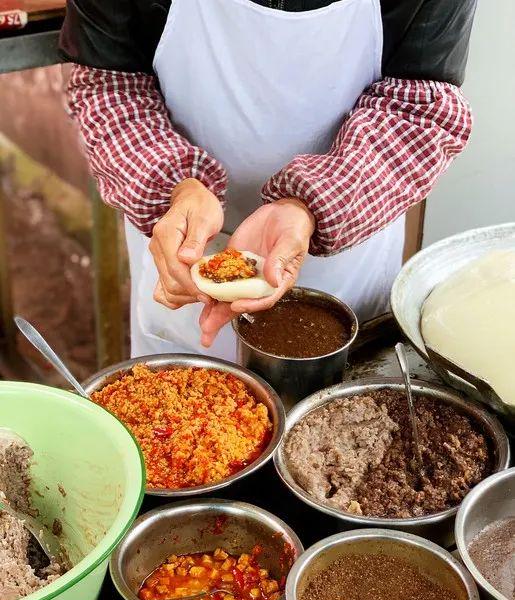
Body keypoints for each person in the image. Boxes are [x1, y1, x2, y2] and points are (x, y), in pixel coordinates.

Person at [59, 0, 476, 361]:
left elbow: (419, 107)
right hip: (184, 255)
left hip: (346, 269)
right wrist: (174, 184)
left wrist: (312, 204)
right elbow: (109, 88)